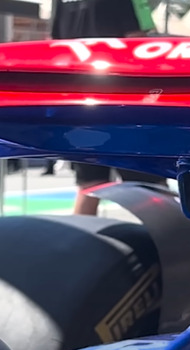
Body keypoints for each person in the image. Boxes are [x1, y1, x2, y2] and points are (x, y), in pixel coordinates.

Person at [51, 0, 168, 215]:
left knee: (90, 184)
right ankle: (176, 247)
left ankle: (80, 244)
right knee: (150, 186)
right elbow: (138, 42)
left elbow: (55, 43)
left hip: (79, 97)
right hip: (122, 99)